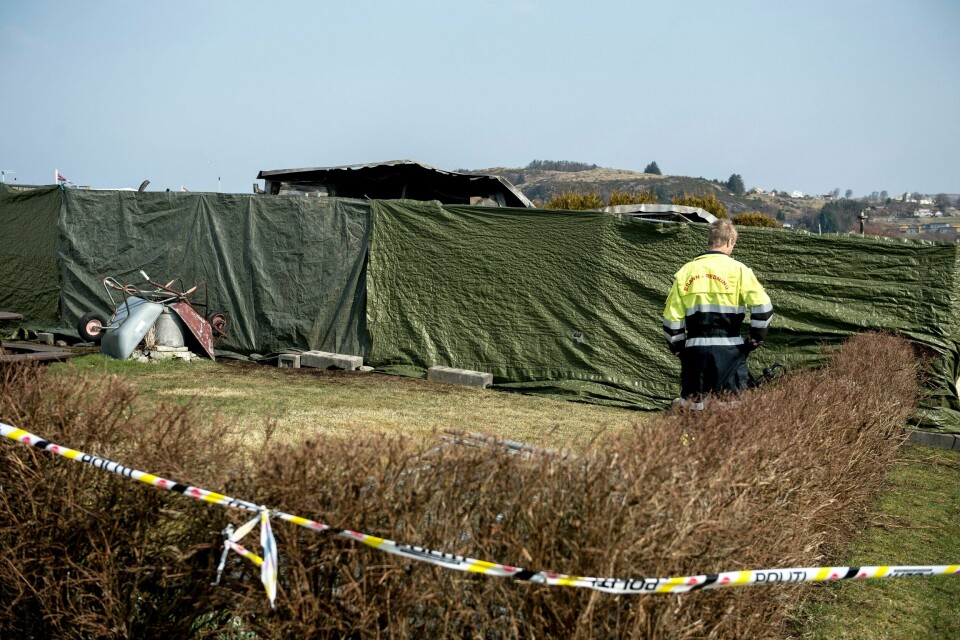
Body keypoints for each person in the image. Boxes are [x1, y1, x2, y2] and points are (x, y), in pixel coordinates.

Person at [662, 219, 773, 408]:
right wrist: (753, 342)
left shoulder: (686, 272)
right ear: (730, 241)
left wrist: (679, 349)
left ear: (710, 241)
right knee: (730, 412)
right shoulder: (739, 271)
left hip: (695, 352)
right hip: (730, 351)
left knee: (693, 410)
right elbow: (763, 309)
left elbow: (672, 319)